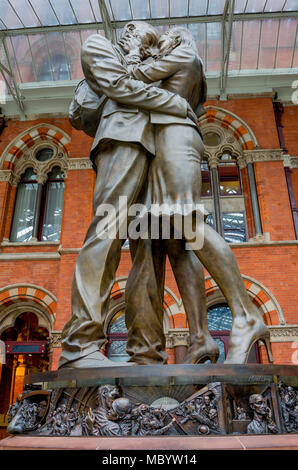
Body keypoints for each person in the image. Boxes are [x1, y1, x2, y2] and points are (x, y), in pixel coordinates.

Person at [125, 26, 274, 365]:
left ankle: (245, 315)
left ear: (175, 39)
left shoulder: (183, 53)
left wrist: (136, 49)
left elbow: (133, 78)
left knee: (184, 220)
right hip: (168, 141)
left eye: (161, 40)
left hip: (174, 139)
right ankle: (200, 338)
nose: (156, 44)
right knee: (176, 240)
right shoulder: (185, 66)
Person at [58, 21, 198, 369]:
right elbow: (120, 86)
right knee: (106, 233)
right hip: (122, 141)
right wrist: (175, 104)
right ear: (127, 33)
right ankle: (80, 344)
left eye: (151, 43)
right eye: (141, 37)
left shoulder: (151, 65)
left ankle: (147, 352)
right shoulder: (98, 46)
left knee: (149, 251)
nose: (145, 45)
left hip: (155, 153)